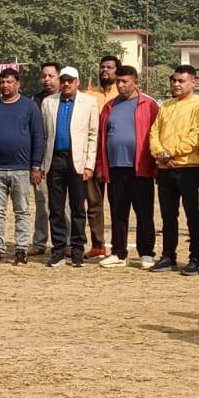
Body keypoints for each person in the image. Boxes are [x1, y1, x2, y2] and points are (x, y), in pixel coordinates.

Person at [148, 65, 199, 275]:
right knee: (167, 215)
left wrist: (170, 154)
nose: (176, 84)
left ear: (193, 82)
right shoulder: (165, 106)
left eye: (181, 81)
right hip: (165, 168)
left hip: (188, 168)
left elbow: (195, 138)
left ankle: (196, 259)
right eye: (174, 80)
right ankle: (168, 256)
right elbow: (154, 133)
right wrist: (160, 154)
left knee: (192, 214)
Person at [96, 64, 159, 269]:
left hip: (140, 167)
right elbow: (101, 137)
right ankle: (119, 253)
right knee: (118, 212)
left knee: (144, 212)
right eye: (118, 81)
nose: (121, 85)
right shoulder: (110, 106)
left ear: (135, 82)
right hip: (115, 166)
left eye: (125, 81)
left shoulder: (148, 105)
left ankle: (146, 253)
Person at [0, 67, 43, 266]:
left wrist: (35, 166)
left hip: (22, 169)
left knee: (22, 211)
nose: (5, 86)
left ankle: (21, 250)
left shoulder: (29, 107)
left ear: (18, 84)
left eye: (9, 82)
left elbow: (38, 137)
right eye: (2, 82)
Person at [39, 66, 99, 268]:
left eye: (70, 80)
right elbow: (45, 136)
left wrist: (89, 165)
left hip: (77, 162)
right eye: (63, 80)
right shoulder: (48, 102)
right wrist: (41, 164)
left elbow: (93, 135)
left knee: (77, 208)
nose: (66, 84)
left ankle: (77, 250)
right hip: (54, 160)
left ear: (77, 82)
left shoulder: (89, 102)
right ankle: (57, 249)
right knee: (55, 208)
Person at [82, 55, 121, 259]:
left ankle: (118, 245)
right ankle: (98, 245)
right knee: (93, 203)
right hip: (93, 157)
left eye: (110, 67)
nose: (105, 70)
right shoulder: (89, 95)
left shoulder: (122, 94)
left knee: (117, 203)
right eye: (102, 67)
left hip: (115, 157)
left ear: (117, 71)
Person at [30, 62, 59, 255]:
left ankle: (64, 242)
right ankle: (39, 242)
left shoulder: (66, 99)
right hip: (40, 160)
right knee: (41, 202)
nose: (47, 80)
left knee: (63, 204)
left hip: (62, 159)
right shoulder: (35, 101)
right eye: (44, 76)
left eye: (51, 76)